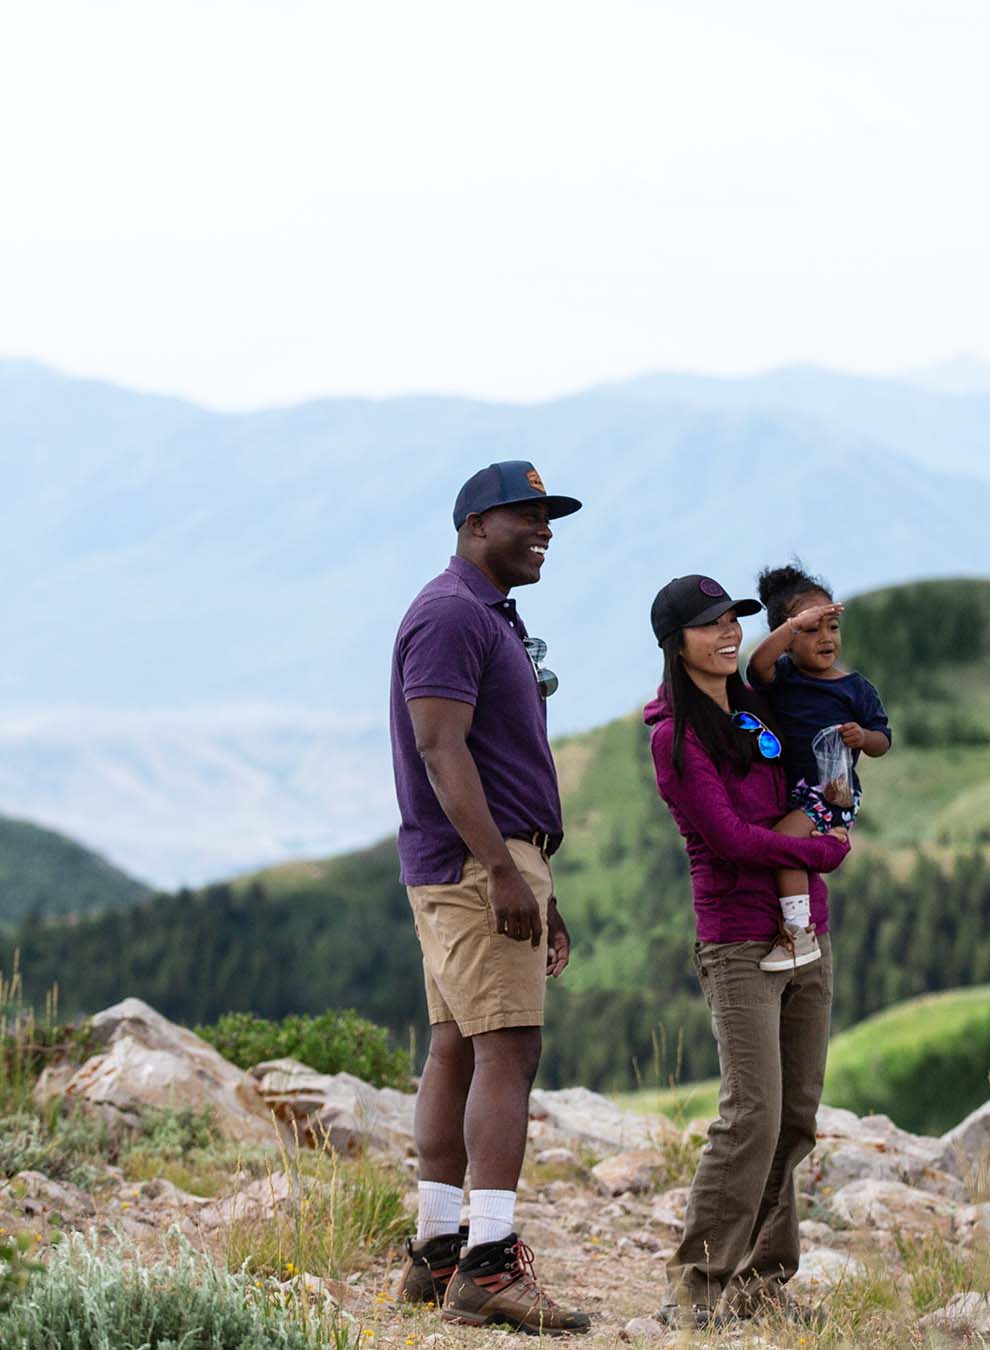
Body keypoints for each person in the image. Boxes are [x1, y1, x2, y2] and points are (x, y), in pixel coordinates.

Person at [390, 460, 590, 1334]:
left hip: (480, 861)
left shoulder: (486, 616)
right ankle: (490, 1267)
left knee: (458, 1050)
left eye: (550, 517)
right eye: (527, 516)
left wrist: (535, 878)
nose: (544, 529)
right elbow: (442, 751)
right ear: (475, 525)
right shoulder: (451, 614)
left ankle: (437, 1251)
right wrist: (504, 871)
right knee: (508, 1048)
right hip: (477, 863)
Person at [642, 573, 853, 1328]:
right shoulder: (677, 735)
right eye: (709, 625)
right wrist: (824, 853)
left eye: (732, 620)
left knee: (796, 1117)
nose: (727, 634)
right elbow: (728, 840)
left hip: (807, 932)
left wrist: (803, 621)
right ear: (675, 643)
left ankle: (763, 1289)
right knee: (752, 1115)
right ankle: (697, 1289)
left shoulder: (753, 704)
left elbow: (769, 657)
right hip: (737, 938)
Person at [746, 561, 891, 973]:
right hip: (795, 792)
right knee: (786, 841)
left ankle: (798, 934)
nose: (826, 638)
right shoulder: (785, 677)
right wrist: (792, 627)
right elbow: (756, 666)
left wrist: (863, 737)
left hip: (831, 791)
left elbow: (884, 740)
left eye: (832, 626)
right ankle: (828, 837)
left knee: (782, 845)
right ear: (787, 638)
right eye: (811, 630)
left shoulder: (855, 689)